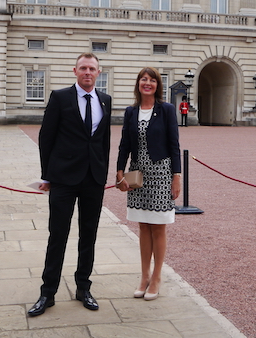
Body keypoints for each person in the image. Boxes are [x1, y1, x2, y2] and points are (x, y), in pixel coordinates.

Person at [28, 53, 112, 317]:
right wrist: (47, 176)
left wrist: (104, 172)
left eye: (93, 69)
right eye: (83, 68)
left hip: (93, 179)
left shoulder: (105, 100)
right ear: (75, 71)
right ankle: (47, 292)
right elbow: (46, 137)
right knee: (58, 235)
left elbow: (104, 141)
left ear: (99, 73)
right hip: (63, 178)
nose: (88, 72)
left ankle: (83, 288)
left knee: (89, 235)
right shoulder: (60, 97)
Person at [116, 67, 182, 301]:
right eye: (144, 79)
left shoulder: (166, 110)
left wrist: (177, 176)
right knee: (143, 225)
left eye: (152, 80)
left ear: (157, 85)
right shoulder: (131, 111)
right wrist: (119, 170)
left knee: (158, 226)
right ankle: (143, 276)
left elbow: (174, 144)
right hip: (138, 172)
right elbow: (124, 143)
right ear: (138, 83)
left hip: (161, 172)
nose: (148, 83)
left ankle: (156, 277)